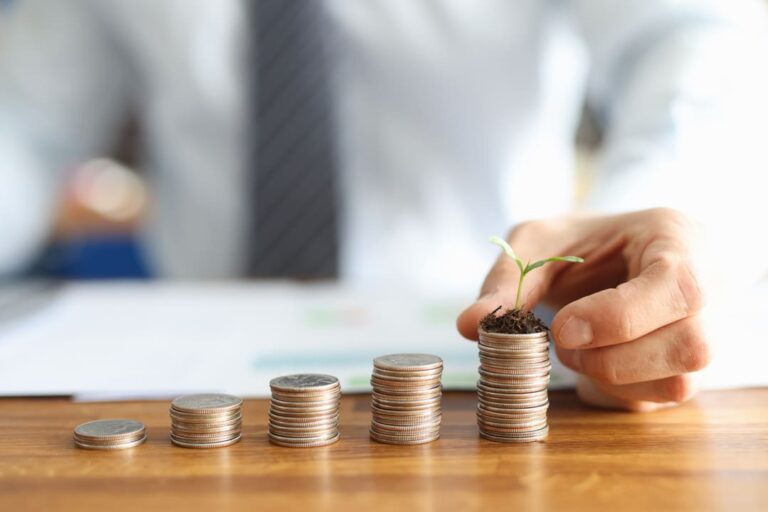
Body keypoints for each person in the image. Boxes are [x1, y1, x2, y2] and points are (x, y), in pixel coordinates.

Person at [1, 0, 767, 411]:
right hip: (186, 362)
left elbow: (693, 36)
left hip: (490, 334)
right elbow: (25, 117)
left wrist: (657, 206)